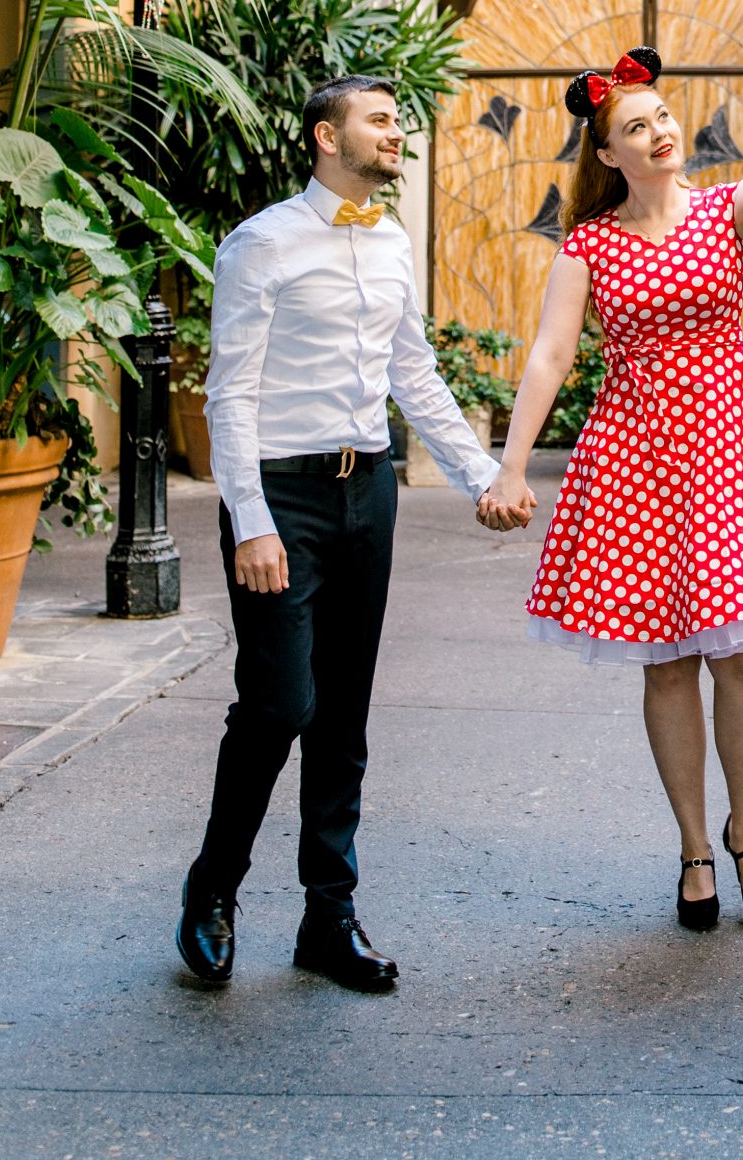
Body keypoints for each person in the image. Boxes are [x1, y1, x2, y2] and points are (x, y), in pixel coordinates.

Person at [476, 27, 743, 930]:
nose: (659, 132)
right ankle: (693, 844)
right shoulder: (589, 245)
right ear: (608, 154)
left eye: (662, 116)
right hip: (634, 458)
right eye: (636, 126)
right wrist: (511, 467)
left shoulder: (725, 210)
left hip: (731, 448)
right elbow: (551, 355)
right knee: (667, 660)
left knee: (742, 653)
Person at [178, 75, 501, 993]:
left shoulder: (390, 240)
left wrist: (480, 476)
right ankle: (212, 889)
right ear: (328, 137)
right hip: (284, 495)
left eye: (397, 120)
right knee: (279, 704)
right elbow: (229, 392)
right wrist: (250, 521)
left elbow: (413, 372)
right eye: (380, 120)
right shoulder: (262, 242)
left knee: (344, 716)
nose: (397, 132)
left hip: (369, 491)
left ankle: (329, 918)